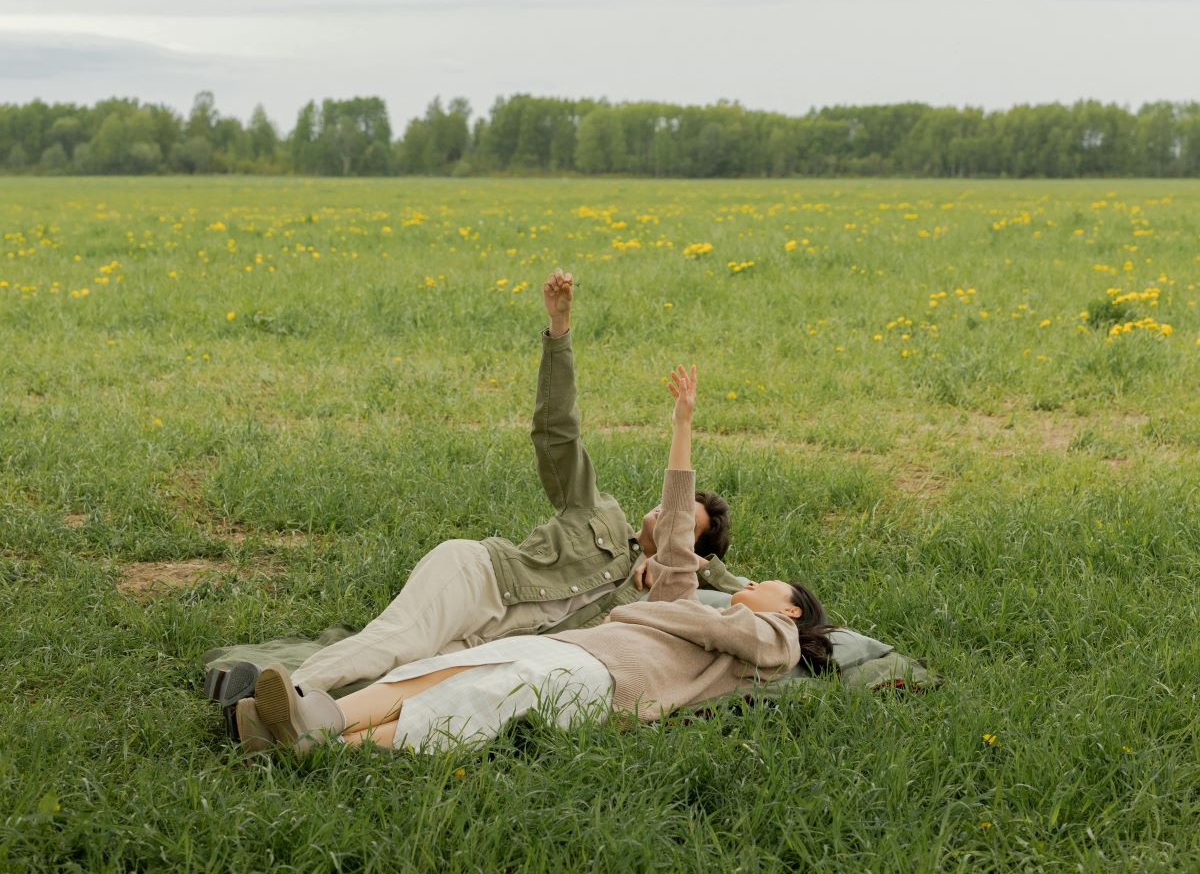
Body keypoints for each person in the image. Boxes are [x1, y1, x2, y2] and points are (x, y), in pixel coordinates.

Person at [219, 271, 738, 737]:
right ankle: (274, 698)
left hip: (500, 642)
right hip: (482, 581)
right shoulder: (601, 510)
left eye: (683, 524)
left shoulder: (654, 603)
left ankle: (284, 721)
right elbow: (557, 434)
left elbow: (737, 602)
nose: (667, 516)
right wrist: (559, 332)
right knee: (393, 642)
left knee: (406, 678)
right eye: (675, 504)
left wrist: (685, 568)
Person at [239, 360, 832, 756]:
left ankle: (314, 741)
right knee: (425, 672)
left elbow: (726, 594)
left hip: (604, 675)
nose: (755, 585)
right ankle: (307, 716)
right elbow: (673, 521)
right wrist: (683, 424)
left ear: (791, 612)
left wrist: (717, 583)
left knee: (468, 698)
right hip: (548, 631)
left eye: (770, 586)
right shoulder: (663, 582)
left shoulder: (765, 636)